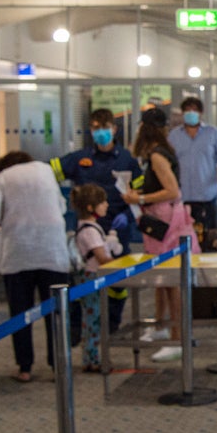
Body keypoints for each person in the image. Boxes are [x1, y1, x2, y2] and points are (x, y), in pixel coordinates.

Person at [0, 150, 69, 382]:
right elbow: (61, 208)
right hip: (52, 252)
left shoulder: (3, 177)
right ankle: (58, 366)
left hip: (18, 253)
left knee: (20, 313)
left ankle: (25, 368)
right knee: (56, 312)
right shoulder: (47, 170)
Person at [50, 108, 141, 334]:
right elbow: (46, 173)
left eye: (105, 127)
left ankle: (111, 326)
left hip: (117, 230)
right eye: (96, 128)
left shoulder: (127, 160)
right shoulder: (80, 159)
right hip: (86, 233)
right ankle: (79, 330)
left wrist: (128, 216)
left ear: (114, 129)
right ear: (91, 130)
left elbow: (140, 195)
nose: (101, 132)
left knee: (117, 282)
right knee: (81, 282)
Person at [122, 107, 200, 362]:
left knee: (173, 280)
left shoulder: (157, 156)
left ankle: (177, 337)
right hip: (163, 218)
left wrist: (140, 197)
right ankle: (162, 326)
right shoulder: (160, 152)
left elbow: (172, 190)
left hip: (166, 221)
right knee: (163, 279)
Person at [168, 96, 217, 252]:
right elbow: (168, 162)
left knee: (215, 232)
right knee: (184, 234)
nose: (190, 113)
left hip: (208, 194)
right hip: (183, 195)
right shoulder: (174, 136)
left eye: (194, 110)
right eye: (187, 110)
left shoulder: (213, 133)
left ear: (201, 113)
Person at [70, 183, 123, 373]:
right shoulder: (90, 231)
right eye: (102, 202)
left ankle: (90, 357)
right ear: (91, 207)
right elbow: (101, 258)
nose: (107, 205)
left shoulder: (90, 227)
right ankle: (91, 359)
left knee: (93, 317)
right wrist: (120, 264)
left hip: (92, 277)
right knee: (93, 319)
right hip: (91, 278)